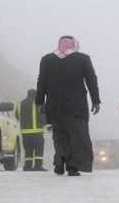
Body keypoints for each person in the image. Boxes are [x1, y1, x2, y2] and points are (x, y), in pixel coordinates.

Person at [36, 36, 101, 176]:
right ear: (74, 45)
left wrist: (39, 102)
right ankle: (72, 166)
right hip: (76, 106)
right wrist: (96, 100)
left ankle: (60, 161)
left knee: (59, 135)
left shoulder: (47, 59)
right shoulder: (82, 59)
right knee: (76, 137)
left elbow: (41, 81)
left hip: (54, 106)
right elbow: (91, 80)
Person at [16, 89, 50, 171]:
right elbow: (43, 115)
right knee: (39, 149)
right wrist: (48, 125)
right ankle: (38, 166)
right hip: (37, 132)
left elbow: (17, 116)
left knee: (28, 150)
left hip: (25, 133)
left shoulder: (20, 104)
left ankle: (27, 166)